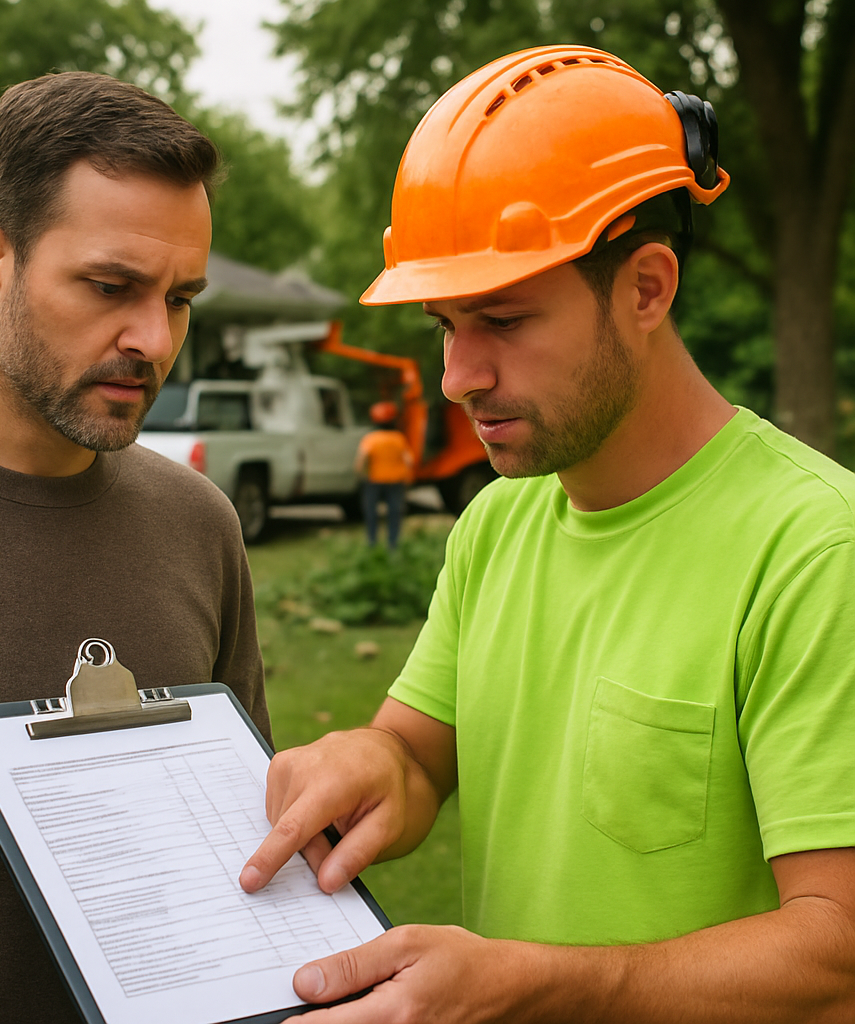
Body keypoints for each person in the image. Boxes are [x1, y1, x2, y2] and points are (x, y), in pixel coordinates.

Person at [239, 45, 855, 1022]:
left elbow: (836, 950)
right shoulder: (496, 521)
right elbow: (417, 756)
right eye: (446, 324)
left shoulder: (815, 549)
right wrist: (369, 760)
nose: (457, 376)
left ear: (647, 288)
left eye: (503, 319)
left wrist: (545, 983)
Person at [0, 72, 271, 1024]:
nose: (153, 340)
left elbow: (240, 864)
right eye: (110, 287)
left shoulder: (201, 525)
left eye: (181, 298)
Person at [355, 400, 414, 548]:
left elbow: (360, 462)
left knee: (371, 513)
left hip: (374, 481)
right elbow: (409, 460)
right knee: (394, 514)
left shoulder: (370, 439)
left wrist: (362, 476)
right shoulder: (398, 438)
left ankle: (372, 543)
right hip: (396, 481)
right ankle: (393, 545)